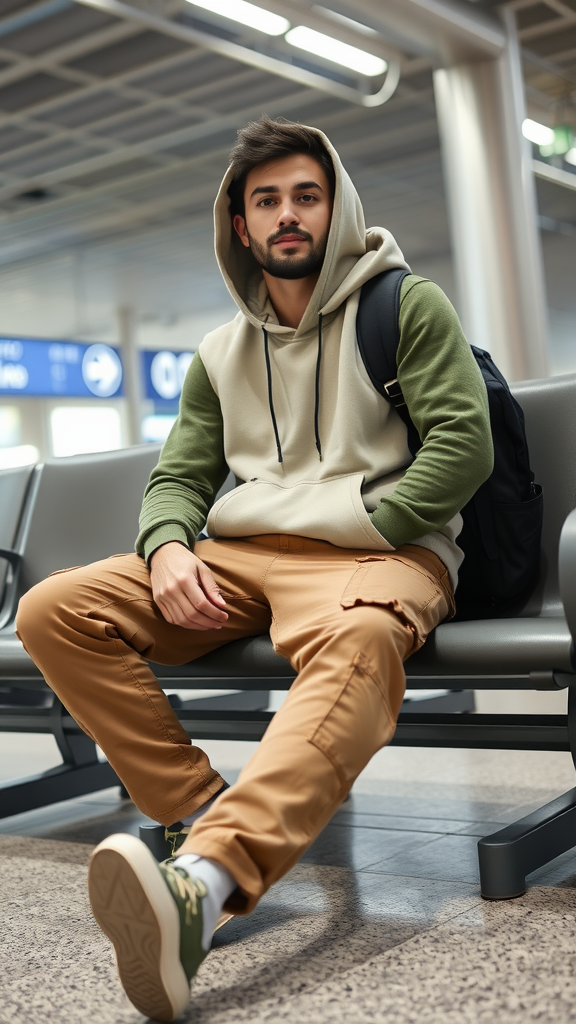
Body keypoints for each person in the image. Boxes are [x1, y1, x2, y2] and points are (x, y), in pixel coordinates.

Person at [16, 116, 493, 1022]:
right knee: (53, 609)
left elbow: (462, 446)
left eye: (305, 196)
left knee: (357, 639)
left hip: (383, 552)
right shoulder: (218, 354)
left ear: (335, 205)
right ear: (240, 224)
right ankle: (199, 814)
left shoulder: (406, 304)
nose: (287, 216)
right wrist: (164, 550)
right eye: (266, 200)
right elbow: (180, 477)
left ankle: (203, 881)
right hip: (240, 557)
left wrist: (375, 522)